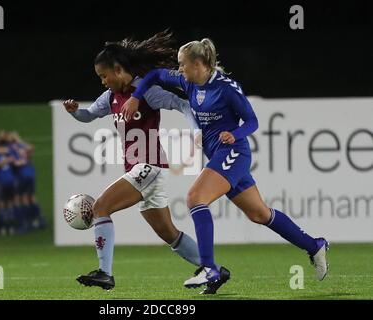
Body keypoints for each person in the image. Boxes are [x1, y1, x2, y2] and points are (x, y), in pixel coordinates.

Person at [122, 38, 329, 294]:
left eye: (182, 64)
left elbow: (252, 122)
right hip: (218, 154)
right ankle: (315, 245)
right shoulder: (187, 81)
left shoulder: (227, 88)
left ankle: (209, 268)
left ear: (198, 63)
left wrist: (236, 134)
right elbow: (154, 75)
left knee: (195, 198)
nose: (179, 69)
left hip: (233, 152)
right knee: (260, 214)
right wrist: (135, 96)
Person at [63, 31, 219, 290]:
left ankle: (105, 273)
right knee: (169, 234)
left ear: (118, 69)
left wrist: (195, 130)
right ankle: (214, 269)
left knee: (100, 207)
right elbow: (89, 115)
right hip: (146, 171)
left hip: (149, 166)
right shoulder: (111, 97)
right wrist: (75, 112)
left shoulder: (145, 92)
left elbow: (182, 104)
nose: (103, 82)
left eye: (104, 76)